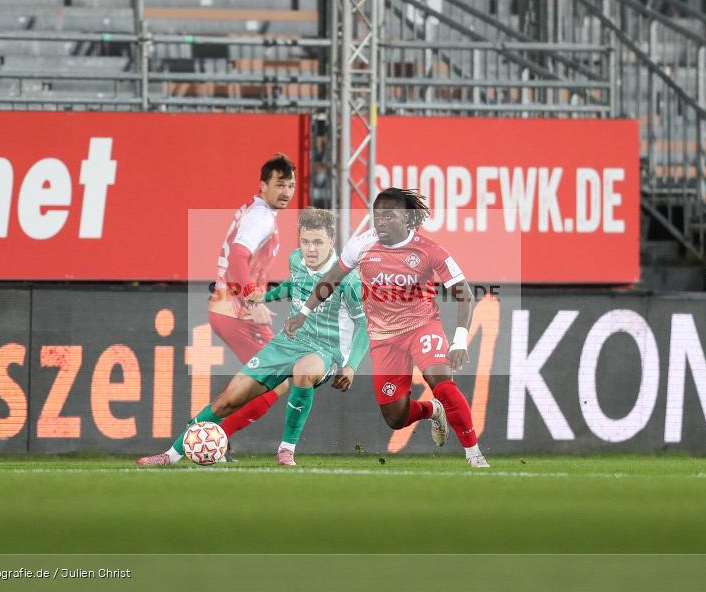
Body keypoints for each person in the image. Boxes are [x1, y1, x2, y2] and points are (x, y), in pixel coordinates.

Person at [137, 208, 369, 466]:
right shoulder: (296, 260)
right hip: (287, 342)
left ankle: (286, 450)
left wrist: (351, 366)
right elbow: (294, 287)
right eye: (305, 241)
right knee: (228, 400)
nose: (311, 249)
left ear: (331, 242)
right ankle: (170, 456)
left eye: (318, 242)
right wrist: (265, 296)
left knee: (303, 371)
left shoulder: (348, 279)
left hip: (326, 350)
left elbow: (365, 324)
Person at [284, 188, 490, 468]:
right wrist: (304, 313)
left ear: (406, 218)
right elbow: (331, 278)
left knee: (441, 382)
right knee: (396, 417)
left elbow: (464, 293)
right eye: (377, 216)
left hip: (422, 327)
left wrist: (460, 340)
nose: (380, 222)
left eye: (388, 216)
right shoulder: (361, 246)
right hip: (383, 338)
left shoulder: (430, 250)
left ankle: (474, 454)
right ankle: (433, 411)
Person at [203, 154, 296, 448]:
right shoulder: (261, 217)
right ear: (263, 185)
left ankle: (211, 435)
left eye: (290, 185)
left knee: (257, 381)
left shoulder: (255, 212)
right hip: (237, 312)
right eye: (279, 184)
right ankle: (211, 436)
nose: (286, 192)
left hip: (226, 307)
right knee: (277, 381)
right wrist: (251, 300)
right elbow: (239, 255)